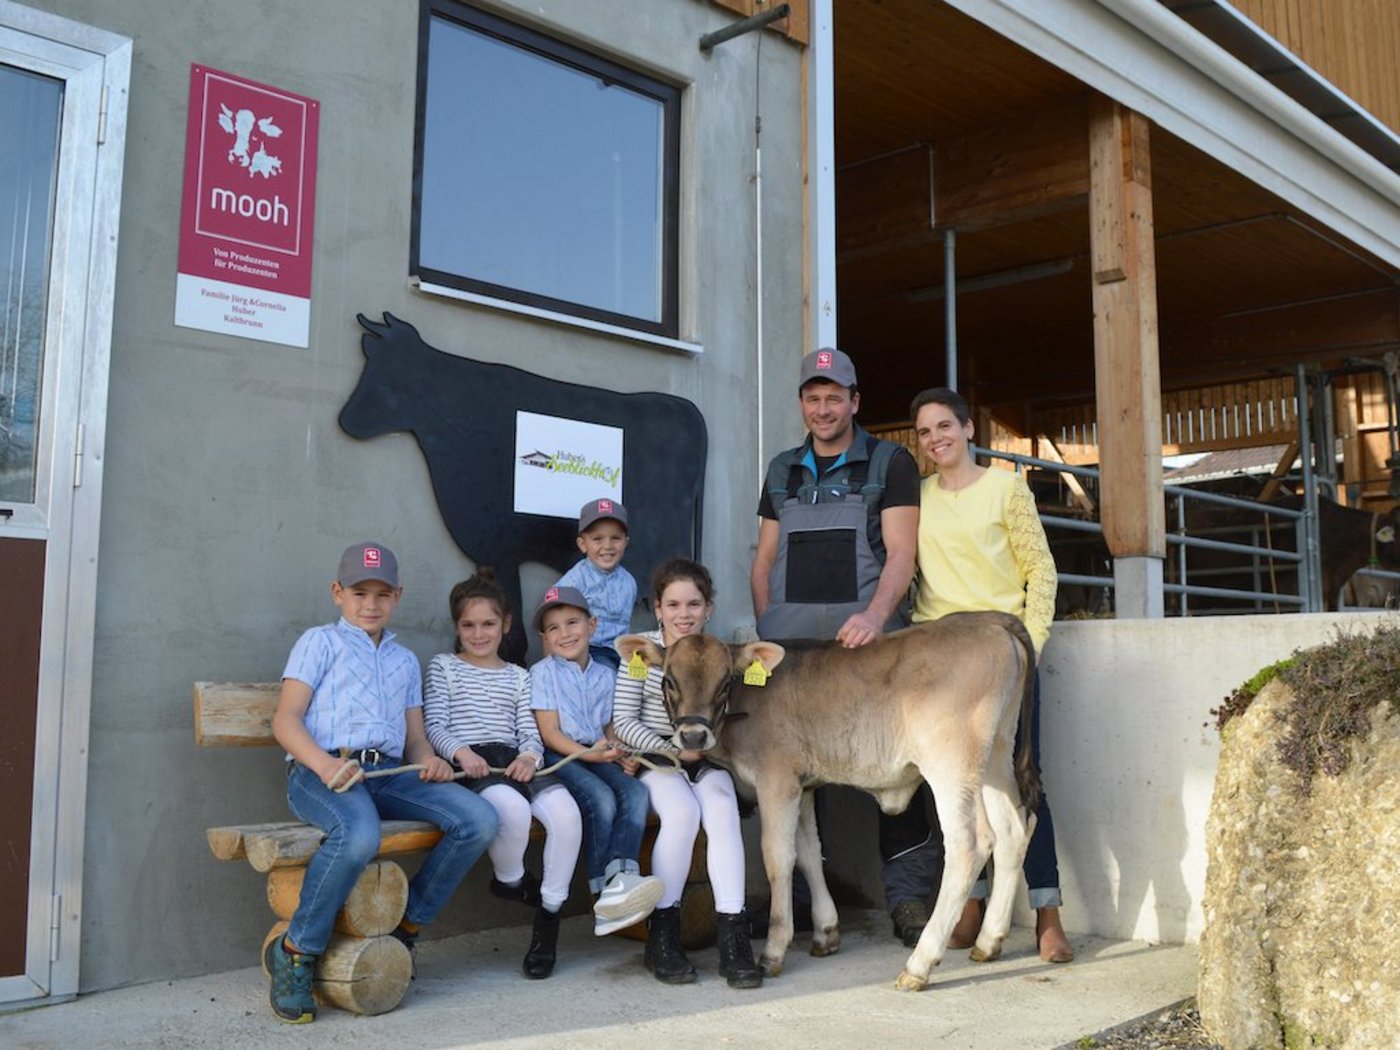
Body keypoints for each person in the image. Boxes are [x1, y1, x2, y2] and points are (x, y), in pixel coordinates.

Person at [266, 541, 499, 1024]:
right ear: (338, 593)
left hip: (387, 773)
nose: (370, 604)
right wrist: (326, 767)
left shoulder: (404, 661)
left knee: (477, 818)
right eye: (359, 592)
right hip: (320, 773)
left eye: (382, 594)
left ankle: (406, 926)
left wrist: (428, 762)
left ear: (397, 595)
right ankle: (297, 951)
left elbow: (415, 740)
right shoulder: (319, 642)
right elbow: (286, 721)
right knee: (358, 833)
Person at [749, 346, 932, 947]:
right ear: (801, 402)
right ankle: (803, 899)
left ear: (855, 401)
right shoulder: (781, 469)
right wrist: (767, 627)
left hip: (869, 649)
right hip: (793, 650)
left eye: (834, 397)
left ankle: (908, 900)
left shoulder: (890, 462)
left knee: (902, 768)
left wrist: (878, 618)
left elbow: (901, 553)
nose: (822, 408)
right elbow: (765, 559)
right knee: (795, 774)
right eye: (812, 397)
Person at [908, 386, 1073, 964]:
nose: (936, 439)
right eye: (925, 432)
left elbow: (1041, 573)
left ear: (968, 428)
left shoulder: (1007, 488)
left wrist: (1032, 646)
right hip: (938, 658)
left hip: (1003, 653)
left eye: (944, 426)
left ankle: (1047, 912)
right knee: (950, 783)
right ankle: (971, 906)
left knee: (1022, 777)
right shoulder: (918, 499)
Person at [423, 569, 583, 979]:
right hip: (474, 765)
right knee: (510, 809)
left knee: (566, 814)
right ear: (457, 627)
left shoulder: (518, 675)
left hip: (515, 758)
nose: (479, 634)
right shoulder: (444, 668)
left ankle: (549, 916)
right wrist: (461, 752)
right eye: (469, 625)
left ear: (506, 625)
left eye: (488, 624)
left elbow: (529, 731)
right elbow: (435, 725)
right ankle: (511, 879)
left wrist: (530, 757)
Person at [612, 558, 762, 988]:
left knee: (722, 808)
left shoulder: (717, 653)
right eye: (673, 604)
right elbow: (622, 720)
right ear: (657, 608)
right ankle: (662, 937)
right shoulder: (644, 653)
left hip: (707, 759)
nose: (684, 614)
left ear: (709, 608)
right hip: (658, 762)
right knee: (680, 814)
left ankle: (734, 938)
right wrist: (670, 747)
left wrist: (703, 749)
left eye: (693, 604)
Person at [529, 584, 663, 935]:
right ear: (545, 638)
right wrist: (589, 753)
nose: (564, 633)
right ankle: (601, 895)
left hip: (598, 751)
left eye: (572, 622)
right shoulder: (543, 673)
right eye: (553, 628)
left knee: (635, 793)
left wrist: (624, 753)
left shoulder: (607, 674)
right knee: (601, 799)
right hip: (562, 756)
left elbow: (609, 724)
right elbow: (550, 733)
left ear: (592, 625)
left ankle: (623, 881)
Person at [556, 498, 637, 671]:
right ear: (583, 544)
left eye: (615, 538)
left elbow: (626, 625)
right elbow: (554, 616)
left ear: (626, 543)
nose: (607, 546)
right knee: (607, 673)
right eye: (597, 539)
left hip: (622, 651)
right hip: (590, 651)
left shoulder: (629, 581)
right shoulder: (575, 580)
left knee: (644, 675)